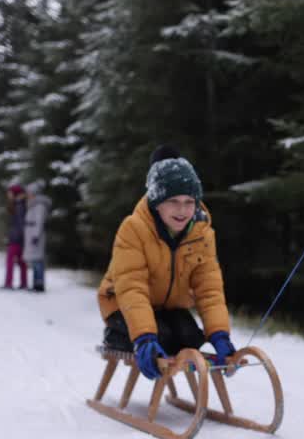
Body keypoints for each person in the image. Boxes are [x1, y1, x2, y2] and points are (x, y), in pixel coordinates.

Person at [96, 146, 236, 380]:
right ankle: (117, 335)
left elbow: (209, 289)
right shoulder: (134, 229)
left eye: (189, 202)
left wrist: (219, 334)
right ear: (157, 202)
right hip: (122, 304)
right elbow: (132, 287)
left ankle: (155, 333)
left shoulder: (202, 233)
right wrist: (144, 337)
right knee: (160, 337)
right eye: (173, 201)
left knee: (190, 338)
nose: (182, 210)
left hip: (167, 307)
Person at [22, 182, 51, 292]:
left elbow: (39, 221)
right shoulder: (32, 203)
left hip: (35, 235)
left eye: (29, 192)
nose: (27, 194)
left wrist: (35, 235)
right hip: (30, 234)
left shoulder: (39, 205)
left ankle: (39, 284)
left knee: (38, 260)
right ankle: (35, 283)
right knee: (34, 261)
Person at [0, 185, 28, 290]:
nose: (8, 195)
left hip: (17, 238)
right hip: (19, 238)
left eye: (10, 193)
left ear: (15, 193)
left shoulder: (19, 205)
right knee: (21, 262)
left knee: (10, 261)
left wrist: (17, 236)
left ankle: (9, 283)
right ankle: (23, 283)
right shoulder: (18, 204)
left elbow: (20, 223)